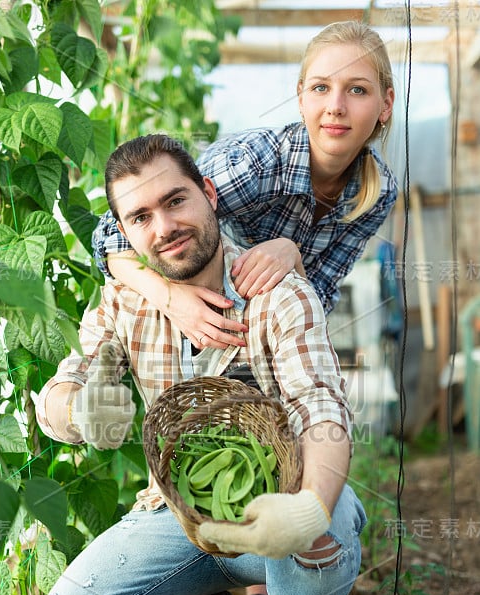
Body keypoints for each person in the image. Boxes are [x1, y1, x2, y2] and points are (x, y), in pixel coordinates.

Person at [31, 133, 366, 595]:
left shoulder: (274, 289)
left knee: (338, 520)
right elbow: (64, 381)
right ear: (124, 237)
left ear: (210, 195)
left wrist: (306, 509)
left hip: (275, 515)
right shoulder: (127, 298)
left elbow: (321, 409)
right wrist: (75, 410)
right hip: (178, 518)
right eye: (140, 217)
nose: (164, 227)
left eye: (176, 200)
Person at [91, 20, 397, 352]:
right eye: (321, 88)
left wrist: (291, 255)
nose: (336, 106)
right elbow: (111, 235)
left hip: (262, 341)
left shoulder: (377, 193)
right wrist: (172, 300)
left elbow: (320, 295)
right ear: (300, 97)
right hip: (185, 327)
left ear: (386, 103)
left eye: (357, 90)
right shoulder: (255, 165)